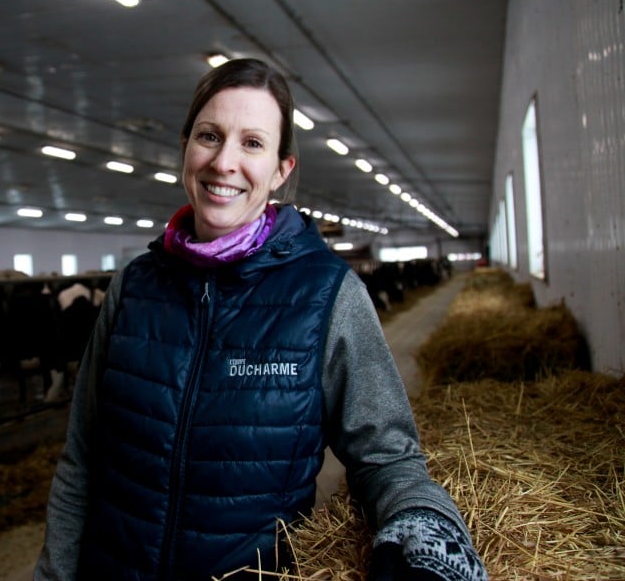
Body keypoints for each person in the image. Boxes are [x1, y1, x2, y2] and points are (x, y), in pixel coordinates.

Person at [34, 58, 487, 581]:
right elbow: (81, 461)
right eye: (209, 135)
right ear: (185, 146)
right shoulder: (133, 288)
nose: (224, 162)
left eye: (252, 143)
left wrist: (424, 532)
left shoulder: (328, 295)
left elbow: (389, 460)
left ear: (280, 169)